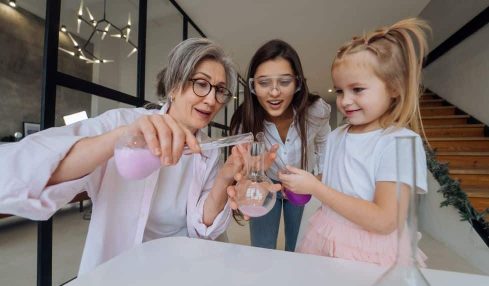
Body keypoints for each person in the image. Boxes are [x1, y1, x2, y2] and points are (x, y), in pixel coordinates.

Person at [0, 38, 245, 275]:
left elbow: (200, 227)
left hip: (179, 268)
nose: (212, 99)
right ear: (173, 86)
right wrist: (117, 140)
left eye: (220, 90)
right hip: (118, 272)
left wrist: (224, 178)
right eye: (201, 84)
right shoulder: (122, 123)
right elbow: (11, 169)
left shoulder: (208, 151)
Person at [276, 18, 430, 266]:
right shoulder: (338, 135)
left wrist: (317, 189)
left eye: (357, 89)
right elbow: (340, 180)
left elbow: (384, 221)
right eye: (339, 91)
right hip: (325, 236)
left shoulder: (399, 143)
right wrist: (305, 183)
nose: (345, 101)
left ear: (393, 88)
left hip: (370, 252)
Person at [229, 39, 331, 251]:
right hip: (264, 185)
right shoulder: (244, 121)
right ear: (252, 86)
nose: (274, 92)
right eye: (264, 82)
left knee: (300, 246)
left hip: (303, 183)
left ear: (298, 83)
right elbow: (241, 168)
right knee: (262, 247)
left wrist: (318, 179)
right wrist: (249, 174)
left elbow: (324, 144)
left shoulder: (316, 111)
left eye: (284, 82)